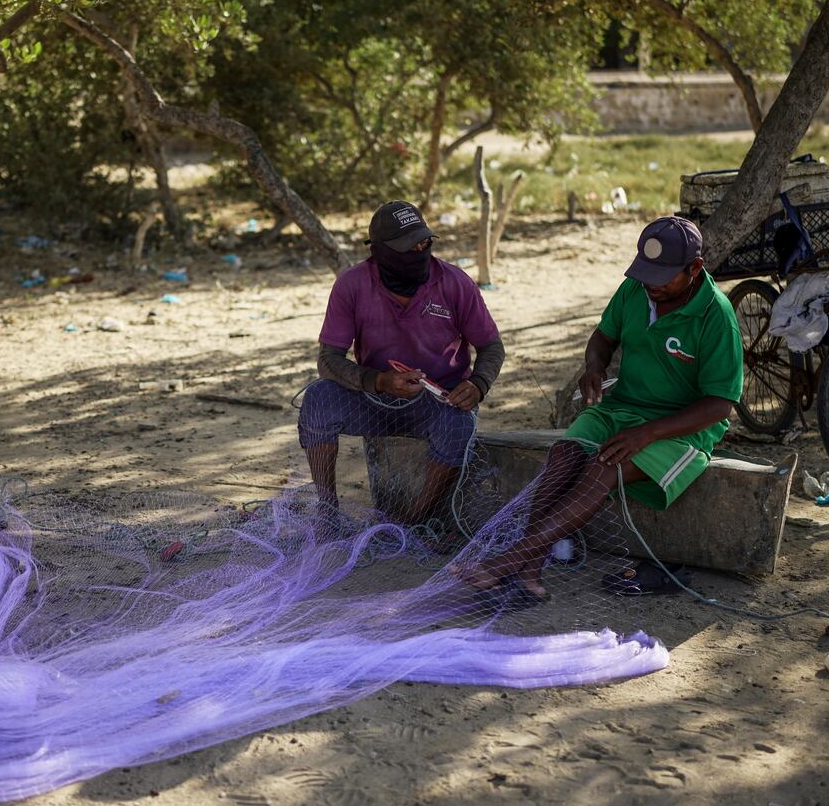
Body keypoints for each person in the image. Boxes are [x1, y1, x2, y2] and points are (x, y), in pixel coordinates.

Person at [461, 215, 743, 597]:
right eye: (645, 273)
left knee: (603, 467)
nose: (650, 285)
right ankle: (528, 573)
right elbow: (602, 338)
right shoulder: (634, 291)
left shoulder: (716, 315)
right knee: (563, 455)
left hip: (683, 429)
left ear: (695, 268)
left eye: (662, 277)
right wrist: (594, 367)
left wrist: (647, 433)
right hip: (624, 407)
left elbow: (720, 405)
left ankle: (511, 561)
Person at [298, 200, 505, 526]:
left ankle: (413, 519)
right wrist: (380, 381)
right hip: (373, 400)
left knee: (460, 425)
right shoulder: (352, 285)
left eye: (424, 243)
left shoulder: (454, 283)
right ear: (379, 251)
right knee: (319, 400)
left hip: (439, 402)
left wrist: (477, 385)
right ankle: (327, 512)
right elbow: (328, 360)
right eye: (409, 247)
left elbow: (492, 347)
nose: (419, 252)